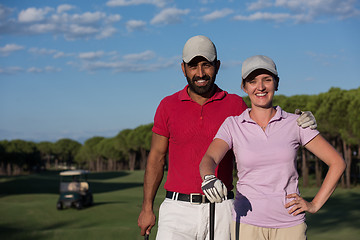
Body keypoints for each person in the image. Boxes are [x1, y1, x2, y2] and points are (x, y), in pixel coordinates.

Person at [137, 36, 317, 240]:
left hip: (223, 209)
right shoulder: (167, 106)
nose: (200, 73)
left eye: (207, 65)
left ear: (218, 66)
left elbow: (266, 122)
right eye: (193, 66)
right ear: (183, 68)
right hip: (177, 210)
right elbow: (156, 159)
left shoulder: (235, 104)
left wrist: (299, 120)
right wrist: (147, 208)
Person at [199, 55, 346, 240]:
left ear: (276, 84)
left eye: (267, 80)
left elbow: (337, 163)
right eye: (252, 81)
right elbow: (209, 159)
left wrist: (314, 205)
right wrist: (208, 177)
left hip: (290, 225)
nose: (260, 87)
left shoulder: (296, 123)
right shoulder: (233, 125)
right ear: (244, 87)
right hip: (246, 223)